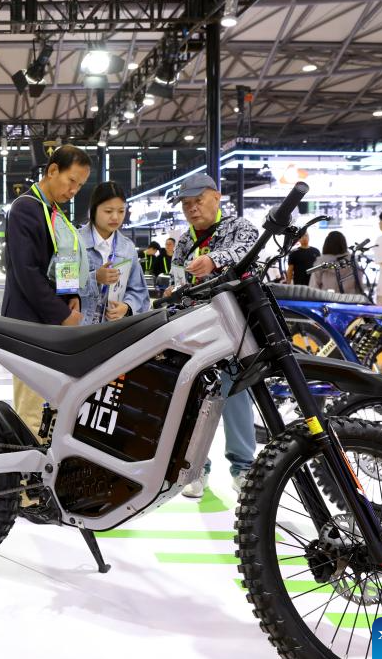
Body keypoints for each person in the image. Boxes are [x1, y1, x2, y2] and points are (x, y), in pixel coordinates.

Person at [168, 173, 259, 498]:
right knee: (195, 399)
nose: (192, 209)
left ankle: (244, 467)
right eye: (186, 204)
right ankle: (195, 468)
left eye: (198, 201)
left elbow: (246, 251)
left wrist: (212, 260)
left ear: (216, 197)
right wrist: (174, 291)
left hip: (234, 329)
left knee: (236, 395)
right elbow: (178, 278)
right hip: (196, 331)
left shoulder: (239, 227)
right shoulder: (183, 241)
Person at [1, 144, 91, 439]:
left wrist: (72, 296)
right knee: (32, 411)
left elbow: (62, 261)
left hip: (50, 326)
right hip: (29, 325)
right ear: (52, 171)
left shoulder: (53, 211)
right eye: (71, 181)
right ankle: (28, 470)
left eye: (80, 185)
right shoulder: (26, 208)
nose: (74, 190)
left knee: (50, 409)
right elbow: (27, 272)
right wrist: (62, 313)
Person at [78, 181, 150, 324]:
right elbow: (60, 284)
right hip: (78, 328)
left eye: (121, 211)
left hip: (114, 330)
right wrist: (94, 278)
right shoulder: (75, 242)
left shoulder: (127, 248)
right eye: (108, 211)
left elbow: (139, 290)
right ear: (93, 210)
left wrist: (127, 307)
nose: (116, 217)